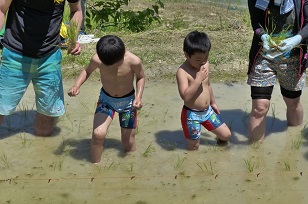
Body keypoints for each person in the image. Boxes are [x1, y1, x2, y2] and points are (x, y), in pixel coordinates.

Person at [0, 0, 83, 136]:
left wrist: (73, 39)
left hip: (49, 57)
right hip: (15, 55)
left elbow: (76, 11)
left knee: (46, 124)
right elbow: (1, 9)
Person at [68, 35, 145, 163]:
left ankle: (131, 168)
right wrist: (77, 85)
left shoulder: (133, 61)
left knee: (128, 143)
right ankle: (95, 167)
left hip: (128, 104)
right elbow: (87, 71)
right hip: (106, 101)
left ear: (123, 54)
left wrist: (138, 97)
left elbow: (141, 77)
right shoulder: (97, 59)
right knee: (98, 134)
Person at [247, 0, 308, 142]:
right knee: (259, 108)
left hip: (292, 59)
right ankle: (254, 155)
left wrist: (297, 39)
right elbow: (256, 22)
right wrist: (263, 36)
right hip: (263, 56)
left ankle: (293, 144)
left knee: (292, 103)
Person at [176, 30, 231, 150]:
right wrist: (198, 79)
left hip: (207, 112)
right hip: (191, 114)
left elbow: (208, 85)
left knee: (226, 135)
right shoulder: (182, 72)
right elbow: (185, 96)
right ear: (186, 55)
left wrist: (213, 102)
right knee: (193, 147)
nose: (202, 62)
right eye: (198, 59)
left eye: (206, 57)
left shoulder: (205, 65)